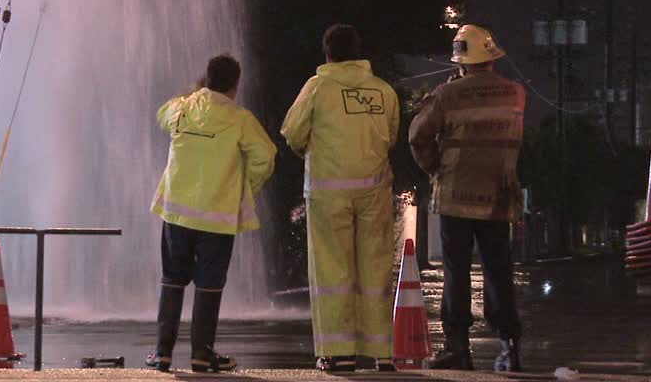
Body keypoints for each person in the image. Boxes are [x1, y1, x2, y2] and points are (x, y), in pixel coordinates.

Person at [146, 54, 277, 373]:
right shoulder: (240, 118)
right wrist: (245, 187)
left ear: (207, 79)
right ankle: (201, 356)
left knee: (172, 280)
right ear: (236, 84)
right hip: (217, 218)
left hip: (177, 215)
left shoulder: (182, 108)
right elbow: (266, 156)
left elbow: (162, 114)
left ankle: (162, 353)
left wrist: (192, 93)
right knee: (209, 285)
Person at [280, 24, 399, 372]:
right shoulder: (383, 91)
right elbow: (390, 137)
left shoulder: (317, 88)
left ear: (327, 53)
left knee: (332, 269)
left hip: (329, 193)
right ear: (359, 51)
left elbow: (292, 131)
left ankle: (338, 351)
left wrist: (312, 150)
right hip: (375, 191)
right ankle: (382, 353)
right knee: (376, 267)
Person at [408, 24, 526, 372]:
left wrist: (435, 169)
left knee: (456, 272)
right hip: (499, 197)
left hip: (455, 197)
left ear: (460, 61)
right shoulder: (515, 93)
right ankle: (510, 346)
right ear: (491, 56)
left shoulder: (449, 95)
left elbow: (417, 136)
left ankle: (458, 348)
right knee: (498, 270)